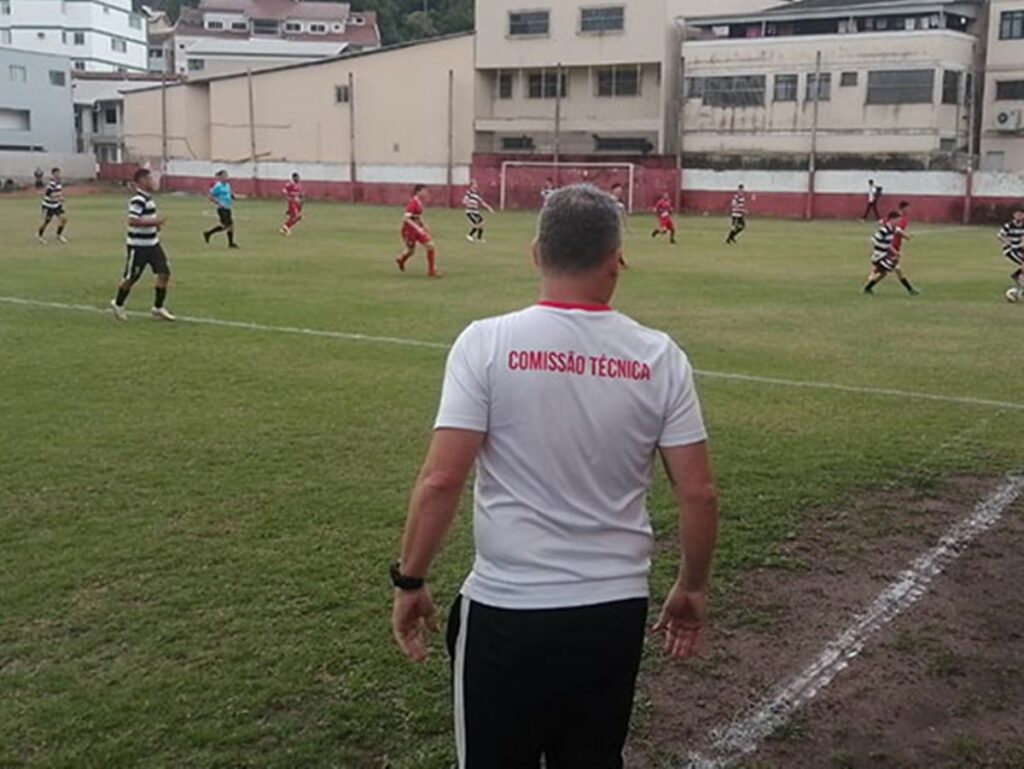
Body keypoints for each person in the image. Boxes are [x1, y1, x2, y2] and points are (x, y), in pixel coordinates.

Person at [390, 184, 719, 768]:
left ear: (536, 253)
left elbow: (441, 481)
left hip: (505, 611)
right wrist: (691, 586)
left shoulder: (485, 343)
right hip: (612, 610)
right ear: (616, 260)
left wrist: (410, 580)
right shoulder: (660, 356)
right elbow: (697, 492)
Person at [110, 168, 175, 322]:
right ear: (142, 181)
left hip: (153, 244)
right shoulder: (138, 200)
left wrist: (155, 226)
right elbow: (133, 220)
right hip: (138, 246)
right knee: (131, 277)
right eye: (150, 179)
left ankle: (158, 307)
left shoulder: (149, 199)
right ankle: (118, 303)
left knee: (164, 273)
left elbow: (145, 219)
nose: (153, 181)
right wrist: (155, 222)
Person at [862, 211, 918, 296]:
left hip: (884, 255)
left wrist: (895, 252)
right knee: (897, 269)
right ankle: (910, 290)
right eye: (897, 220)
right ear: (891, 220)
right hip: (879, 256)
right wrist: (873, 253)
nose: (898, 223)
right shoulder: (883, 230)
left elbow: (889, 243)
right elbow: (873, 240)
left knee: (883, 274)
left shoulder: (893, 229)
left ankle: (867, 288)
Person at [395, 184, 440, 278]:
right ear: (418, 192)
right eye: (424, 191)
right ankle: (401, 259)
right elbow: (406, 218)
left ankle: (431, 271)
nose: (426, 193)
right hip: (409, 230)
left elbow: (416, 216)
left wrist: (423, 225)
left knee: (430, 246)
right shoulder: (413, 202)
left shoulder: (419, 202)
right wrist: (417, 228)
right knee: (411, 251)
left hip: (416, 229)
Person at [888, 200, 921, 295]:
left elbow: (882, 222)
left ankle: (868, 286)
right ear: (903, 208)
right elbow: (897, 230)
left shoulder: (900, 218)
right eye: (907, 208)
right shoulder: (900, 218)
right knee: (896, 269)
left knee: (882, 271)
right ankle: (910, 289)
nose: (909, 210)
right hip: (892, 245)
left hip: (895, 245)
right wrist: (906, 236)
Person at [203, 170, 239, 248]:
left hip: (228, 207)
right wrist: (218, 203)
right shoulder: (218, 186)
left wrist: (234, 197)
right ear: (220, 177)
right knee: (225, 226)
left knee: (230, 226)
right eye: (224, 176)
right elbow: (210, 196)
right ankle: (208, 233)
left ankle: (231, 243)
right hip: (222, 208)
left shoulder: (227, 185)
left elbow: (230, 194)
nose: (226, 177)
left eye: (226, 175)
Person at [37, 167, 68, 244]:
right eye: (56, 173)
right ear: (53, 174)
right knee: (46, 222)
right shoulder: (52, 183)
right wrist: (58, 198)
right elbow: (47, 194)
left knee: (63, 219)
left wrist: (60, 198)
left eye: (59, 173)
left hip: (56, 205)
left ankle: (59, 235)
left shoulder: (59, 182)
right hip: (48, 205)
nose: (58, 174)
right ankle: (39, 235)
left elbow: (58, 192)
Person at [997, 208, 1024, 299]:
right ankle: (1018, 277)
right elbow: (999, 235)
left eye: (1021, 214)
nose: (1019, 216)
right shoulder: (1009, 225)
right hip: (1010, 249)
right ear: (1014, 215)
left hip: (1018, 248)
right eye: (1017, 214)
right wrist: (1006, 241)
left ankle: (1017, 275)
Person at [609, 183, 630, 268]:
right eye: (617, 189)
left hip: (617, 226)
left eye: (620, 190)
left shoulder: (620, 202)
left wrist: (627, 226)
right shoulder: (608, 200)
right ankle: (620, 262)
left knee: (616, 245)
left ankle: (619, 262)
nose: (619, 191)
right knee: (613, 245)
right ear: (613, 190)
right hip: (609, 225)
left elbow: (623, 214)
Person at [279, 172, 304, 236]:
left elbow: (300, 194)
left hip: (297, 203)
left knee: (299, 217)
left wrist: (301, 201)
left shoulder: (299, 185)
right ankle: (285, 227)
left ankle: (286, 227)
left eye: (298, 177)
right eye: (296, 178)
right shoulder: (289, 184)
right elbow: (284, 191)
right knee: (295, 216)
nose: (298, 179)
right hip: (292, 202)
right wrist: (288, 198)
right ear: (293, 178)